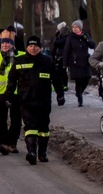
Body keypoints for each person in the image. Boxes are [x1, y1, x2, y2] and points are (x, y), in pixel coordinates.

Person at [7, 35, 65, 165]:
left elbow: (56, 79)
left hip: (43, 100)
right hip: (26, 100)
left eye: (36, 46)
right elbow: (12, 80)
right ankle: (31, 152)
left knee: (43, 128)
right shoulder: (19, 61)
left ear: (40, 47)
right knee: (30, 126)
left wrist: (60, 94)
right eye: (31, 46)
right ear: (27, 47)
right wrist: (9, 95)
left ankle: (42, 153)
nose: (33, 48)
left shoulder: (47, 61)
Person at [0, 32, 23, 155]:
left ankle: (12, 143)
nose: (6, 45)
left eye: (8, 43)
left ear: (13, 45)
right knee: (1, 119)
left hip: (16, 93)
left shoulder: (20, 56)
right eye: (3, 43)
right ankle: (3, 143)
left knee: (16, 120)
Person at [63, 20, 95, 107]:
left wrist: (86, 39)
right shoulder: (70, 37)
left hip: (85, 61)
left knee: (86, 79)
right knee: (78, 81)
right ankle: (80, 98)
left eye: (76, 27)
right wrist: (65, 63)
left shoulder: (85, 35)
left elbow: (92, 45)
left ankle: (79, 92)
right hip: (75, 62)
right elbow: (66, 50)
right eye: (73, 27)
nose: (75, 29)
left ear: (80, 28)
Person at [51, 22, 70, 93]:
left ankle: (64, 84)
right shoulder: (60, 36)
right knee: (60, 70)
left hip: (63, 55)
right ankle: (63, 84)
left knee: (62, 70)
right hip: (59, 55)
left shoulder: (64, 37)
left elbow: (56, 44)